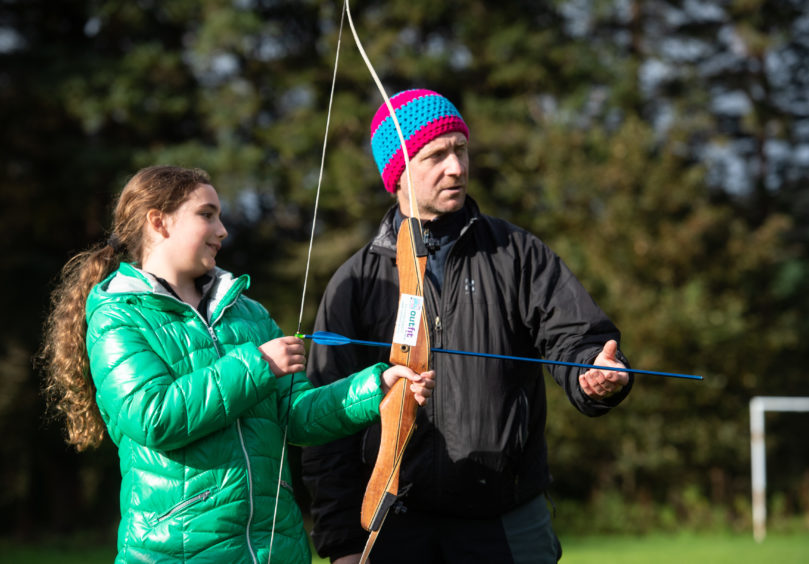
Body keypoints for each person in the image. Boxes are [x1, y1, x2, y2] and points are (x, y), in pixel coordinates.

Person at [301, 89, 633, 564]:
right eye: (436, 155)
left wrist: (593, 373)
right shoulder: (356, 281)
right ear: (397, 173)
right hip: (394, 527)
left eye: (461, 150)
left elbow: (576, 338)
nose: (456, 167)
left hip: (507, 519)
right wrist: (342, 543)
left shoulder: (515, 252)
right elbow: (325, 421)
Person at [39, 165, 434, 563]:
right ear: (159, 223)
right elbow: (152, 416)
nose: (222, 229)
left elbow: (296, 415)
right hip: (178, 553)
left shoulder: (247, 312)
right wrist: (258, 365)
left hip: (275, 549)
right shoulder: (118, 315)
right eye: (206, 214)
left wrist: (378, 386)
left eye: (219, 215)